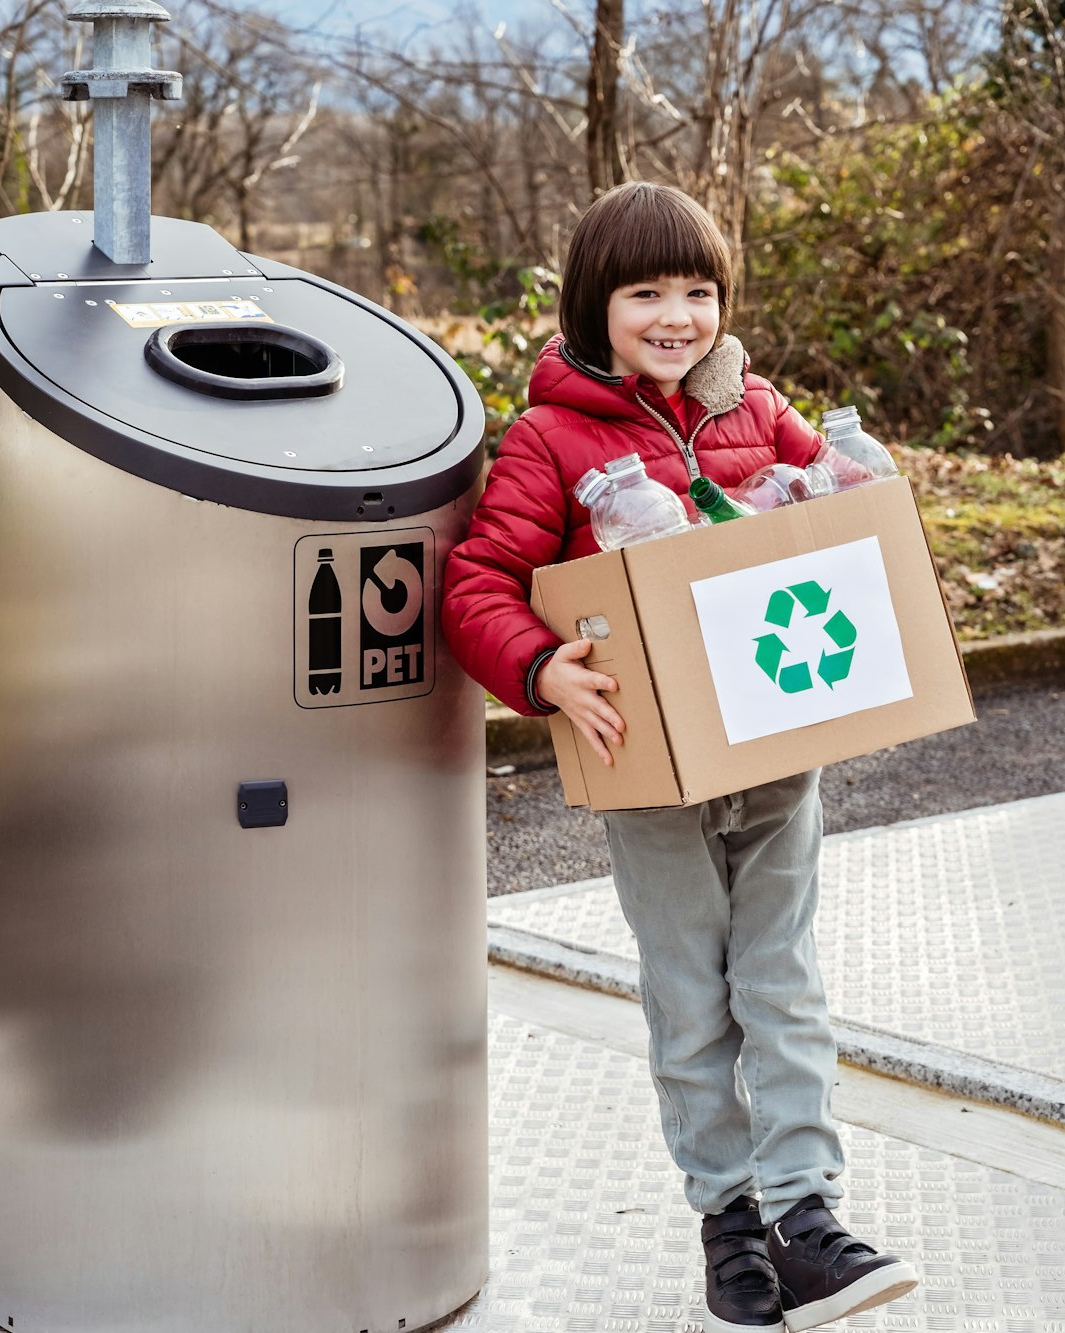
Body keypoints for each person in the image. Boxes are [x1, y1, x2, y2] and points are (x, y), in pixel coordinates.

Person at [442, 181, 919, 1333]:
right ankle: (727, 1218)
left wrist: (870, 491)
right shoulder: (551, 438)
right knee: (689, 996)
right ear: (592, 305)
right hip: (649, 772)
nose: (676, 315)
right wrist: (542, 668)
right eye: (645, 292)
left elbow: (844, 517)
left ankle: (807, 1214)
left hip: (775, 752)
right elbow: (477, 583)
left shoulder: (755, 407)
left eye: (697, 291)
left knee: (781, 978)